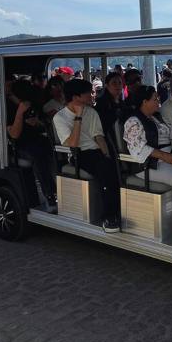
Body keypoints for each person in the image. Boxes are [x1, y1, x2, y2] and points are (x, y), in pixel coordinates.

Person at [123, 85, 172, 246]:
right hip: (149, 164)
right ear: (144, 102)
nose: (158, 101)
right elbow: (138, 148)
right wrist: (165, 156)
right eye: (155, 99)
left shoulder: (157, 117)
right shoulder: (133, 121)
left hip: (170, 158)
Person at [53, 79, 121, 231]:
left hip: (96, 151)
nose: (92, 95)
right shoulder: (60, 117)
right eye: (88, 93)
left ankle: (117, 210)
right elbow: (72, 143)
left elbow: (99, 137)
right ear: (76, 97)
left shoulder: (92, 112)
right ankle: (109, 216)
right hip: (79, 153)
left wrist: (107, 155)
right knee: (104, 170)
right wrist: (78, 117)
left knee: (112, 167)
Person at [7, 78, 57, 209]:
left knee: (53, 150)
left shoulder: (34, 104)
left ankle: (59, 188)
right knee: (38, 154)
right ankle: (50, 194)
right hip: (19, 144)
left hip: (38, 139)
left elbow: (43, 124)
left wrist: (38, 122)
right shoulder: (8, 107)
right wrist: (20, 112)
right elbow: (14, 134)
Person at [94, 71, 125, 139]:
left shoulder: (123, 104)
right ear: (107, 85)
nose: (118, 86)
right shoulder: (101, 105)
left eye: (120, 83)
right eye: (114, 83)